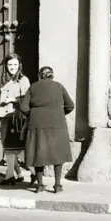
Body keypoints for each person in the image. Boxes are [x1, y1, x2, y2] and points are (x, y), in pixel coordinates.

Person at [18, 66, 73, 194]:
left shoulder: (33, 87)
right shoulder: (59, 86)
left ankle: (40, 185)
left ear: (40, 75)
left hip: (37, 125)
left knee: (38, 154)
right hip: (57, 125)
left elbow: (24, 107)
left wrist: (34, 115)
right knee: (57, 155)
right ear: (52, 75)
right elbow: (70, 105)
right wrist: (58, 113)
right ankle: (58, 185)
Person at [0, 53, 30, 186]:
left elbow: (27, 99)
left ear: (19, 65)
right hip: (5, 117)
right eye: (10, 64)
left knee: (12, 148)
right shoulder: (5, 79)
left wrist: (13, 100)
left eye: (15, 64)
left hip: (16, 117)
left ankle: (10, 177)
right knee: (7, 146)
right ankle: (19, 174)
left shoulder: (23, 80)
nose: (12, 67)